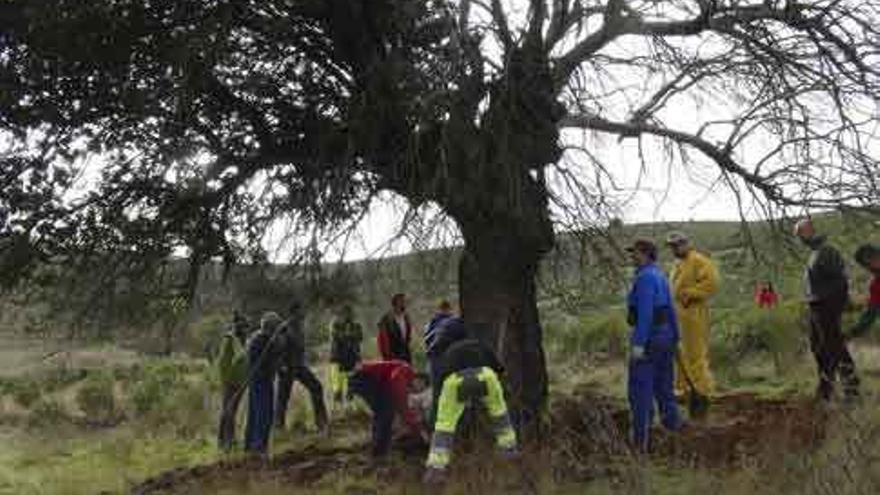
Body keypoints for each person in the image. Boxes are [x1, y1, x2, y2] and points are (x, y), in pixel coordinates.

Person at [423, 330, 518, 485]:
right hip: (485, 375)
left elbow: (440, 381)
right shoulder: (481, 345)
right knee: (499, 413)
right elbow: (499, 369)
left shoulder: (449, 353)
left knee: (444, 425)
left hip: (455, 381)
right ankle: (508, 450)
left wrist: (452, 404)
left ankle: (436, 469)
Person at [625, 239, 683, 452]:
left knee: (640, 390)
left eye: (636, 253)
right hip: (665, 338)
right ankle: (675, 433)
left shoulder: (645, 278)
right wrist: (676, 338)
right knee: (664, 387)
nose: (632, 257)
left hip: (649, 339)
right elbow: (670, 310)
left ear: (647, 254)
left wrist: (638, 344)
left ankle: (641, 442)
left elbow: (646, 313)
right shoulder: (660, 275)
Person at [794, 218, 859, 401]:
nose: (800, 238)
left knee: (835, 347)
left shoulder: (826, 251)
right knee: (818, 347)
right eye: (798, 235)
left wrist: (838, 306)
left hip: (827, 307)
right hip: (816, 306)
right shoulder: (815, 252)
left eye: (802, 233)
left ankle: (852, 390)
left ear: (812, 230)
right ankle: (825, 387)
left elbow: (841, 280)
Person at [666, 231, 720, 401]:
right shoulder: (677, 264)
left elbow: (712, 283)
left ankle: (703, 391)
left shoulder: (699, 261)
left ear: (686, 243)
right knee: (682, 353)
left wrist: (690, 294)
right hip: (679, 314)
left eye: (677, 245)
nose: (675, 249)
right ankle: (684, 390)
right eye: (672, 247)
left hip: (694, 314)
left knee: (696, 353)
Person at [347, 360, 429, 458]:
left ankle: (378, 445)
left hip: (362, 378)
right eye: (421, 387)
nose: (418, 390)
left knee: (382, 413)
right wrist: (419, 432)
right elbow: (403, 409)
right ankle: (379, 453)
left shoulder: (404, 373)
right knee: (385, 414)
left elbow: (403, 409)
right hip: (365, 378)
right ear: (419, 380)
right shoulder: (405, 373)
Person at [274, 300, 329, 432]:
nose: (302, 314)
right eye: (299, 311)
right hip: (287, 368)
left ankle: (321, 422)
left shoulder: (299, 327)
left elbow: (300, 348)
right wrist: (281, 366)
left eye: (302, 311)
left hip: (299, 366)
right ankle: (278, 426)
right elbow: (278, 349)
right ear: (293, 313)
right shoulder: (284, 328)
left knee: (317, 387)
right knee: (282, 398)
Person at [244, 312, 283, 455]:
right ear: (271, 327)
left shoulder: (257, 338)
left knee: (255, 413)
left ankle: (250, 446)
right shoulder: (263, 340)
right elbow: (266, 361)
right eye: (276, 326)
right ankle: (259, 447)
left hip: (257, 380)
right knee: (264, 414)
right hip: (262, 381)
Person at [216, 312, 250, 451]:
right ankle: (226, 442)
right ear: (235, 325)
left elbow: (244, 361)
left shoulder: (243, 340)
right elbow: (223, 363)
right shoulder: (229, 339)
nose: (244, 328)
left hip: (240, 382)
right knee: (228, 411)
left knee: (231, 411)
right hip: (230, 382)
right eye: (241, 325)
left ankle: (228, 440)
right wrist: (227, 380)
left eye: (245, 326)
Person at [329, 305, 364, 404]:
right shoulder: (335, 324)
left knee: (352, 386)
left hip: (352, 358)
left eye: (349, 313)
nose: (348, 315)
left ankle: (350, 409)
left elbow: (360, 337)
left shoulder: (356, 325)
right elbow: (337, 336)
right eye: (345, 313)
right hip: (338, 358)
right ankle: (338, 412)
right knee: (337, 389)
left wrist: (348, 337)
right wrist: (350, 337)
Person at [849, 244, 880, 338]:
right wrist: (854, 332)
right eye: (869, 261)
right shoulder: (876, 286)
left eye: (875, 256)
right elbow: (871, 313)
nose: (875, 261)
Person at [377, 293, 414, 363]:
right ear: (396, 303)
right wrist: (386, 355)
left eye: (405, 301)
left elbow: (407, 337)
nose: (404, 303)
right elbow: (382, 339)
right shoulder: (386, 319)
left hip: (405, 354)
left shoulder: (406, 317)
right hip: (392, 355)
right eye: (402, 301)